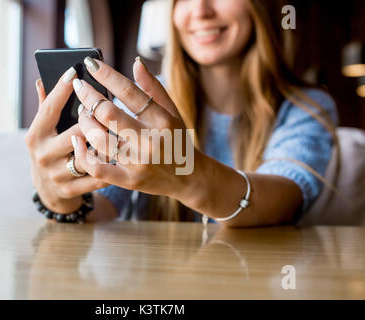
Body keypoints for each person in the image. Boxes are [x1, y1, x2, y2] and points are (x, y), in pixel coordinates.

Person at [25, 0, 338, 227]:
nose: (200, 10)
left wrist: (190, 175)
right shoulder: (139, 101)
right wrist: (60, 197)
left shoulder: (305, 106)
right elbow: (101, 208)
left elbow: (285, 197)